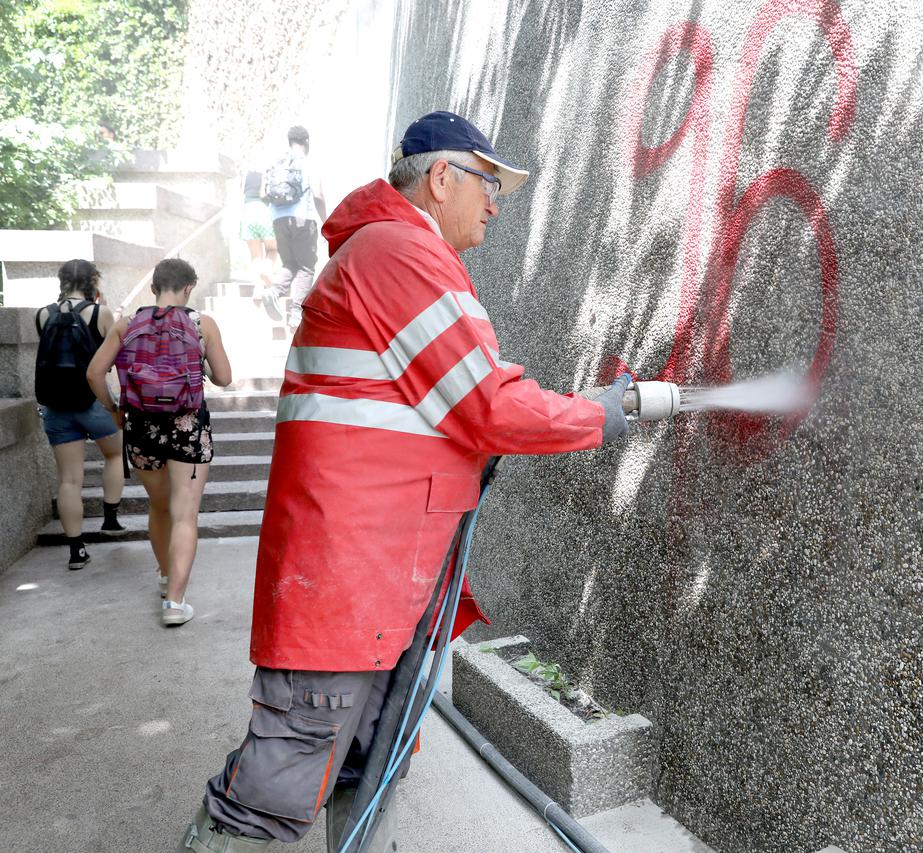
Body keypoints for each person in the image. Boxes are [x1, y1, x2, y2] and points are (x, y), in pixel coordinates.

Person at [178, 111, 630, 852]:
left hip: (377, 583)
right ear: (440, 176)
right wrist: (599, 416)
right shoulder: (398, 251)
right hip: (349, 582)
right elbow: (484, 402)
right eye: (488, 183)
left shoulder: (399, 253)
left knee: (368, 765)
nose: (494, 202)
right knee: (271, 791)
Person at [87, 259, 233, 626]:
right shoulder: (202, 323)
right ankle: (174, 603)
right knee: (185, 514)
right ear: (189, 288)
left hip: (141, 426)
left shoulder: (126, 324)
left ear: (153, 288)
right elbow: (225, 378)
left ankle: (166, 576)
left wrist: (114, 410)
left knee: (160, 507)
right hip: (188, 426)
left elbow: (93, 372)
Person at [34, 259, 127, 570]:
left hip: (57, 408)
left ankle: (76, 551)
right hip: (95, 404)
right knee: (114, 455)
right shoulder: (100, 313)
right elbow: (110, 360)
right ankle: (110, 519)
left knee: (69, 481)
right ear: (93, 281)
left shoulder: (43, 314)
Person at [262, 125, 326, 331]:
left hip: (279, 219)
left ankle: (274, 291)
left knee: (289, 263)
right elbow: (317, 194)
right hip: (303, 219)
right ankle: (296, 312)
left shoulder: (277, 163)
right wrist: (326, 220)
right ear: (306, 142)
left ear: (289, 142)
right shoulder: (308, 163)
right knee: (306, 266)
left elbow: (265, 194)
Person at [239, 166, 279, 288]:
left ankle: (258, 288)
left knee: (256, 257)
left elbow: (240, 192)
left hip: (247, 214)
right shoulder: (268, 173)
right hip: (264, 213)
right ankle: (266, 271)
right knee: (272, 249)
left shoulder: (246, 173)